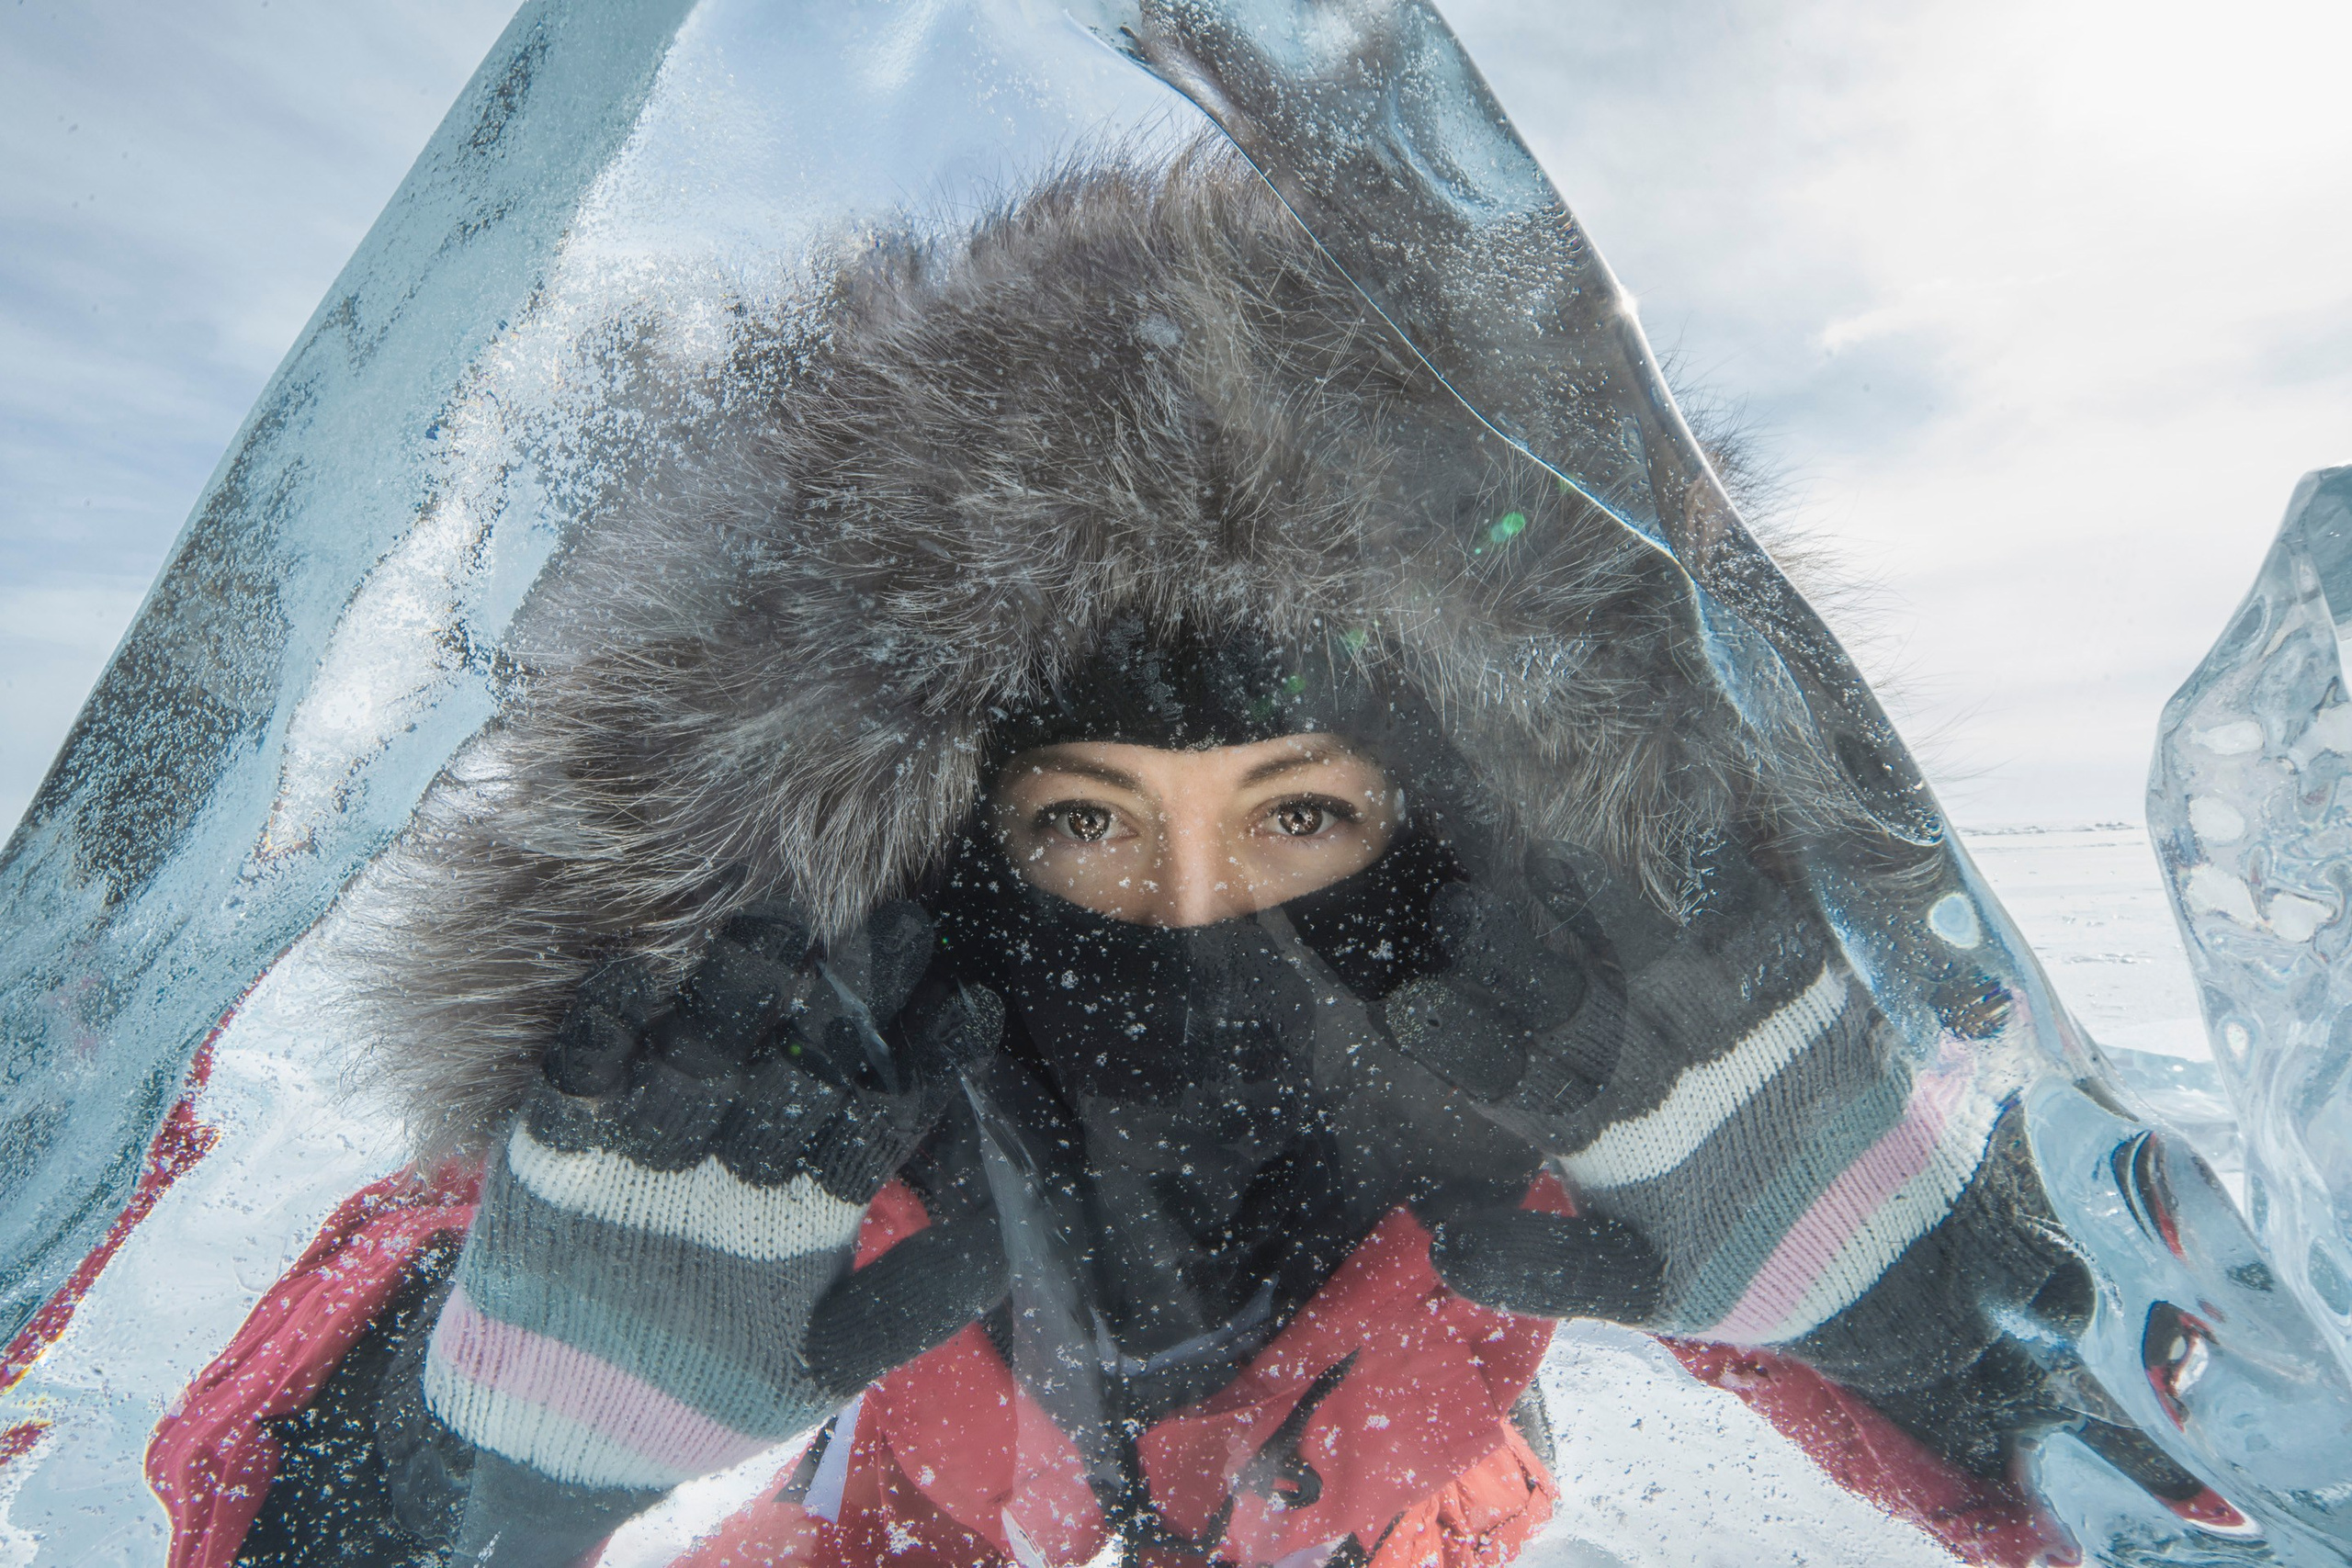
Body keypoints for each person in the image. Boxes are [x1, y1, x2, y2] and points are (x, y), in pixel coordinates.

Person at [186, 150, 2225, 1568]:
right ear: (952, 850)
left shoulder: (1589, 1103)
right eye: (1080, 820)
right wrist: (477, 1464)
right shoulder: (773, 1141)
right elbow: (360, 1384)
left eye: (1299, 814)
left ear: (1426, 831)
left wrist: (1929, 1301)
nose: (1186, 910)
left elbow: (2209, 1479)